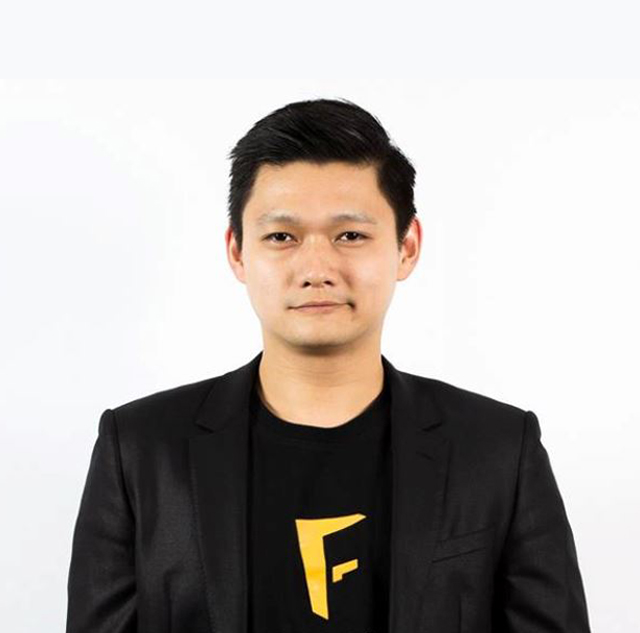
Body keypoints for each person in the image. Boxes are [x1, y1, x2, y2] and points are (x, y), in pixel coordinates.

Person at [66, 98, 592, 633]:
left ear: (407, 247)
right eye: (281, 237)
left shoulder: (499, 449)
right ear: (237, 251)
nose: (316, 268)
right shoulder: (139, 449)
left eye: (350, 235)